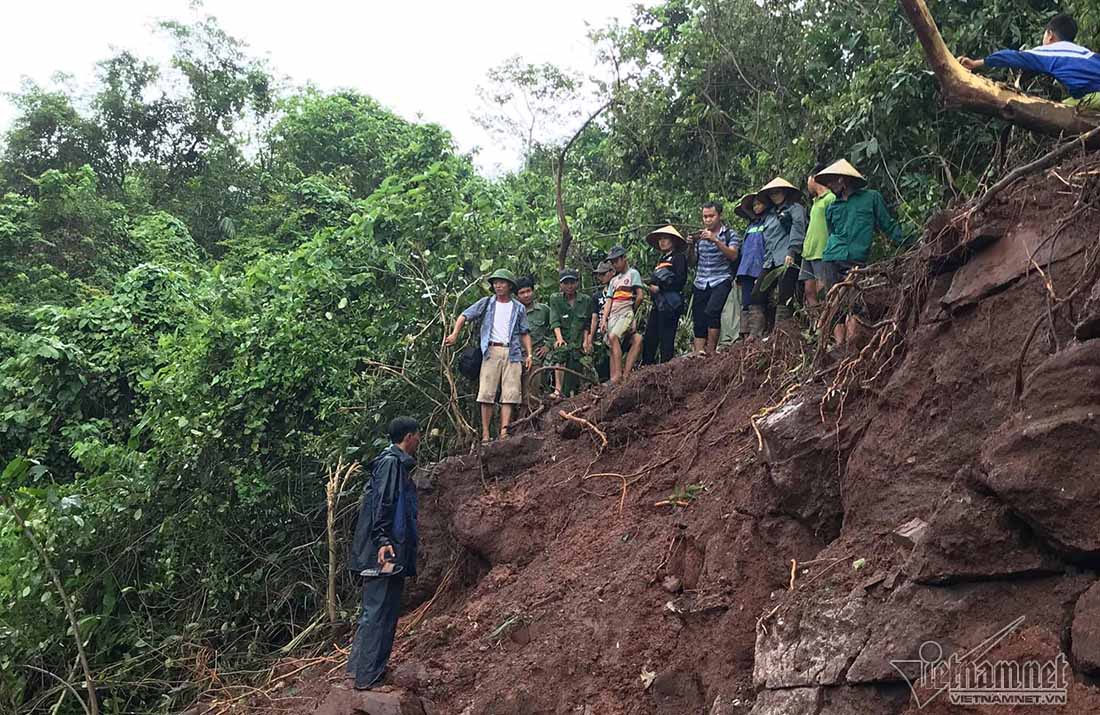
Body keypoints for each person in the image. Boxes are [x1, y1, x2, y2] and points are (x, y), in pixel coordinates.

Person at [347, 416, 421, 690]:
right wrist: (382, 541)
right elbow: (385, 503)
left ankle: (360, 672)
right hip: (384, 552)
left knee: (379, 610)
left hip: (385, 548)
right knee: (380, 611)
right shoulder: (391, 463)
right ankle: (367, 678)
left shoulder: (391, 463)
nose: (419, 441)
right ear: (410, 437)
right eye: (417, 436)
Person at [814, 159, 907, 350]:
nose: (829, 187)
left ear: (843, 180)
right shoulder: (832, 207)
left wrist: (909, 243)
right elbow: (832, 232)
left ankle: (852, 346)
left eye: (832, 182)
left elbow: (887, 225)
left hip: (856, 260)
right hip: (831, 257)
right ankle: (839, 346)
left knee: (854, 303)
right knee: (834, 305)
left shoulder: (871, 198)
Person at [443, 269, 533, 441]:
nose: (498, 286)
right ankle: (485, 435)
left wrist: (529, 354)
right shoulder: (487, 303)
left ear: (509, 285)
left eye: (502, 282)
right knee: (486, 394)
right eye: (495, 283)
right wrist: (454, 334)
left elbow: (524, 332)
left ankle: (504, 432)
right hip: (490, 351)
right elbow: (464, 315)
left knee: (510, 393)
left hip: (512, 352)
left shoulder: (518, 307)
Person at [959, 14, 1100, 111]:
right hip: (1094, 95)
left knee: (1060, 109)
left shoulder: (1050, 52)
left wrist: (976, 63)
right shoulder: (1084, 52)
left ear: (1050, 35)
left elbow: (1011, 57)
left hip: (1095, 97)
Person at [687, 201, 740, 355]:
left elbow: (733, 255)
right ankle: (699, 353)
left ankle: (711, 351)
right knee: (699, 318)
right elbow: (692, 262)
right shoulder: (700, 236)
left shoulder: (730, 234)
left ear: (720, 215)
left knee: (712, 311)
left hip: (721, 279)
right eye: (705, 217)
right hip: (701, 281)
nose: (708, 220)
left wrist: (715, 240)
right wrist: (690, 245)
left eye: (711, 216)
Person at [756, 177, 808, 331]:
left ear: (785, 192)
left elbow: (798, 230)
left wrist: (792, 252)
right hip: (770, 260)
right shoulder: (769, 214)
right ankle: (757, 334)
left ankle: (782, 333)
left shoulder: (795, 208)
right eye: (771, 193)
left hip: (788, 257)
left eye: (777, 192)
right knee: (756, 295)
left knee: (785, 296)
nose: (774, 195)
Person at [641, 225, 688, 364]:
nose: (662, 242)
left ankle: (666, 369)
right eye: (660, 239)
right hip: (658, 304)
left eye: (665, 238)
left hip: (670, 304)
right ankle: (647, 368)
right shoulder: (661, 260)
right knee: (650, 337)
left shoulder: (678, 258)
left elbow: (680, 280)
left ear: (673, 241)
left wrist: (661, 287)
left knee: (666, 337)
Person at [599, 245, 645, 383]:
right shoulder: (613, 280)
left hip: (625, 312)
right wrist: (604, 319)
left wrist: (631, 311)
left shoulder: (633, 274)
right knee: (615, 343)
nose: (614, 264)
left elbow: (640, 296)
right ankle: (616, 377)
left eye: (616, 261)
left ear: (624, 258)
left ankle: (619, 374)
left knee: (614, 337)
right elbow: (609, 301)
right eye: (612, 262)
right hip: (614, 315)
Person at [547, 268, 595, 398]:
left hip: (579, 341)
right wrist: (559, 339)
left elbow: (587, 323)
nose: (569, 286)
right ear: (561, 284)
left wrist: (586, 341)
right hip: (564, 339)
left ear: (577, 283)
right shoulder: (555, 299)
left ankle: (579, 391)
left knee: (580, 360)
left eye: (572, 282)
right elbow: (555, 320)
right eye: (566, 283)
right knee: (560, 353)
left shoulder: (585, 300)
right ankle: (558, 389)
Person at [800, 164, 837, 308]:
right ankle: (816, 325)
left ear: (813, 178)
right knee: (809, 291)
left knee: (823, 291)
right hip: (808, 252)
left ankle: (826, 323)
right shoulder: (815, 202)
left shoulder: (831, 198)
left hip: (822, 251)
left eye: (808, 179)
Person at [733, 193, 768, 339]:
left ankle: (756, 334)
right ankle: (745, 335)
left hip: (761, 266)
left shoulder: (769, 222)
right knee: (745, 302)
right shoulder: (750, 226)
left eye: (759, 204)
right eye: (754, 205)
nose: (756, 207)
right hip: (745, 269)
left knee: (758, 300)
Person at [515, 276, 552, 399]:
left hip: (535, 358)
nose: (526, 295)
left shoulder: (543, 310)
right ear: (516, 295)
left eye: (528, 291)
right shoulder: (512, 312)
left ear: (533, 291)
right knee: (513, 394)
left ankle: (531, 415)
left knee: (532, 394)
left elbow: (555, 328)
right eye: (522, 293)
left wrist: (548, 345)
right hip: (515, 357)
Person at [587, 261, 616, 382]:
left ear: (612, 273)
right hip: (601, 333)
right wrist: (590, 337)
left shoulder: (620, 291)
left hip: (616, 329)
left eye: (603, 274)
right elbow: (594, 318)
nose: (600, 277)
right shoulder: (596, 296)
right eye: (599, 275)